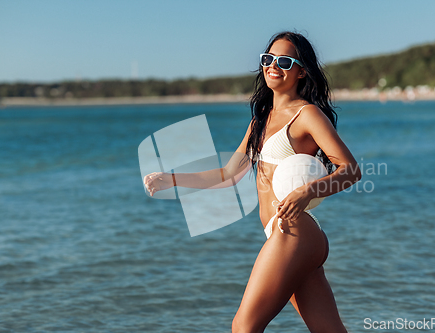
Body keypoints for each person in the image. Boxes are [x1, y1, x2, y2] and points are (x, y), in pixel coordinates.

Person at [144, 31, 361, 333]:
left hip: (293, 232)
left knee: (243, 327)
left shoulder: (307, 114)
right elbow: (229, 174)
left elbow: (350, 170)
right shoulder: (260, 119)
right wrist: (171, 179)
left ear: (301, 71)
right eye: (268, 59)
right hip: (290, 235)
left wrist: (307, 191)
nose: (274, 65)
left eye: (285, 61)